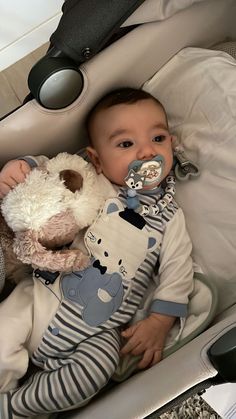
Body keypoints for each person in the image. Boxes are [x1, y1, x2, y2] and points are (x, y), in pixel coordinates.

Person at [0, 88, 194, 418]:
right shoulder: (95, 182)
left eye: (158, 137)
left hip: (96, 335)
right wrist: (23, 168)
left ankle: (15, 408)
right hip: (39, 299)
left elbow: (179, 268)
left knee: (97, 371)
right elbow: (55, 174)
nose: (147, 151)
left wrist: (160, 321)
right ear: (97, 158)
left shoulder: (170, 217)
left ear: (172, 145)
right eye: (126, 144)